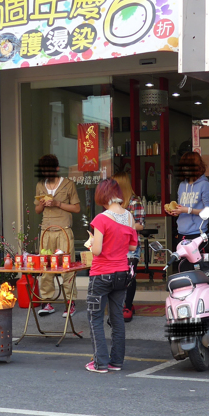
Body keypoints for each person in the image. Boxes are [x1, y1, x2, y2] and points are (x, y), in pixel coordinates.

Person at [85, 179, 138, 373]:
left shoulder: (101, 219)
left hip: (101, 274)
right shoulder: (129, 217)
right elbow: (132, 246)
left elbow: (97, 250)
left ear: (102, 195)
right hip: (121, 274)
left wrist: (91, 242)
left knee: (95, 318)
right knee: (117, 318)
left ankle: (100, 363)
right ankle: (116, 362)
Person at [33, 154, 80, 317]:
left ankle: (70, 303)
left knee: (67, 267)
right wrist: (42, 204)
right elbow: (37, 210)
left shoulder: (68, 184)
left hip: (64, 229)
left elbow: (77, 208)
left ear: (57, 169)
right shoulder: (40, 185)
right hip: (46, 229)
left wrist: (57, 203)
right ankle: (47, 302)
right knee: (45, 267)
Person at [111, 169, 144, 322]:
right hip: (115, 245)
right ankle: (121, 305)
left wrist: (121, 224)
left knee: (129, 276)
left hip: (130, 245)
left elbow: (140, 225)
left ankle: (128, 306)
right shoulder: (113, 202)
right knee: (117, 276)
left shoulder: (134, 202)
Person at [166, 151, 209, 252]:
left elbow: (208, 211)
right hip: (181, 232)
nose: (185, 169)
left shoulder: (204, 184)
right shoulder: (182, 185)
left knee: (197, 262)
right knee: (183, 262)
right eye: (183, 167)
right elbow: (181, 208)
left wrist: (188, 210)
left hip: (198, 233)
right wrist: (174, 211)